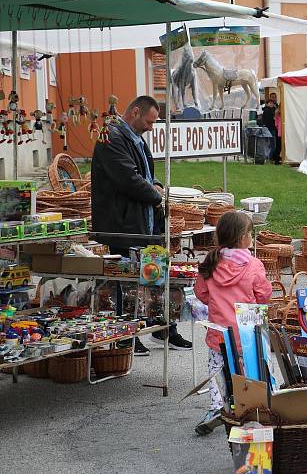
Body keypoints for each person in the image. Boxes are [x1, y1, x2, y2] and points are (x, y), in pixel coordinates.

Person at [91, 95, 192, 355]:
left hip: (142, 220)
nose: (151, 127)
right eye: (149, 121)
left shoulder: (135, 138)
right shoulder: (111, 137)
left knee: (153, 276)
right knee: (125, 284)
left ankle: (162, 327)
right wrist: (158, 197)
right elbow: (128, 179)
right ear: (135, 111)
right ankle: (127, 335)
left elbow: (146, 173)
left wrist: (156, 184)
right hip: (121, 223)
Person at [193, 211, 272, 435]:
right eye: (250, 234)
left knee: (217, 370)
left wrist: (217, 303)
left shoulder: (211, 262)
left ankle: (218, 407)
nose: (252, 238)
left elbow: (201, 293)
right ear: (241, 238)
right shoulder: (253, 265)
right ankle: (251, 409)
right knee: (251, 370)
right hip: (247, 332)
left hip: (219, 332)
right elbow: (263, 295)